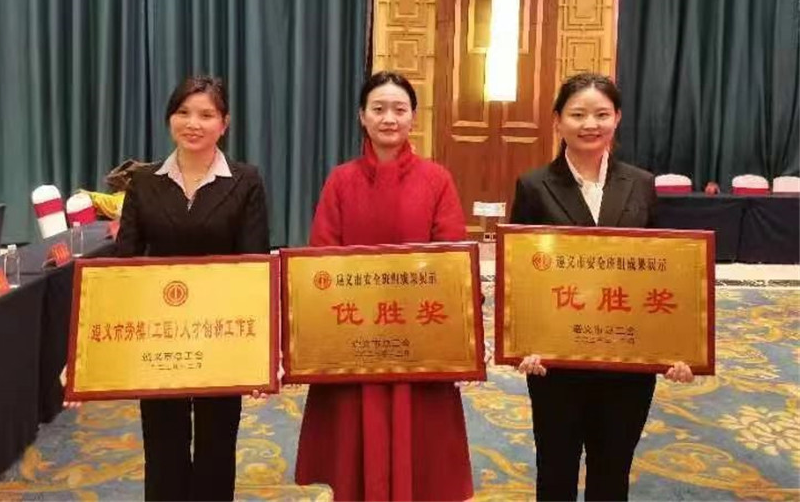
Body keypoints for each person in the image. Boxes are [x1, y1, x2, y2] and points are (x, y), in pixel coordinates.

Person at [509, 72, 694, 501]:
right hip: (556, 362)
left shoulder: (642, 184)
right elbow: (519, 274)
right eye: (577, 114)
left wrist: (675, 346)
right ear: (557, 121)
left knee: (612, 472)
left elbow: (663, 271)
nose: (589, 124)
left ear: (617, 118)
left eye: (601, 114)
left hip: (626, 360)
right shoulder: (533, 186)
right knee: (555, 470)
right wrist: (522, 342)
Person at [295, 71, 474, 501]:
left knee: (423, 457)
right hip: (354, 339)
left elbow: (452, 263)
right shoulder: (341, 180)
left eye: (399, 109)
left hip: (421, 340)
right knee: (356, 451)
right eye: (378, 109)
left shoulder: (437, 179)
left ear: (413, 117)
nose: (389, 118)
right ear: (362, 116)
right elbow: (321, 260)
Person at [115, 75, 269, 501]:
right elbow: (121, 268)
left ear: (225, 123)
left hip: (222, 334)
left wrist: (258, 353)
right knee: (162, 443)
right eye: (183, 112)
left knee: (217, 443)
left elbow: (255, 267)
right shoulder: (144, 181)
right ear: (170, 118)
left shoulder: (245, 181)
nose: (193, 123)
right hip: (158, 336)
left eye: (206, 114)